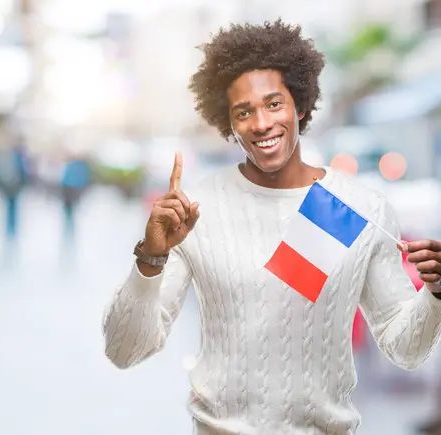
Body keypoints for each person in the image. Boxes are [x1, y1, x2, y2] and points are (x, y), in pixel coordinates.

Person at [102, 19, 441, 434]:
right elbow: (124, 351)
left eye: (274, 104)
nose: (261, 123)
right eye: (243, 112)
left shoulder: (357, 208)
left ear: (299, 105)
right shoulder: (196, 211)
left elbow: (405, 349)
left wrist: (435, 295)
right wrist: (150, 259)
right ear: (228, 122)